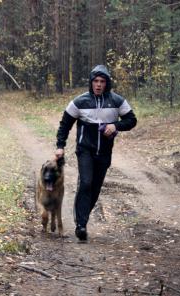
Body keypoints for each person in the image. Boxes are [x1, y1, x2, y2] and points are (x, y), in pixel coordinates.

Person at [55, 65, 137, 241]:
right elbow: (65, 124)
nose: (98, 85)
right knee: (86, 183)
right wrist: (60, 145)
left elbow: (132, 120)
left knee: (95, 188)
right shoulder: (79, 102)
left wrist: (115, 125)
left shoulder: (117, 101)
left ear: (107, 83)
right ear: (91, 83)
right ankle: (81, 225)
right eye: (96, 81)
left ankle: (81, 216)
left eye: (102, 81)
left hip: (105, 152)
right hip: (85, 149)